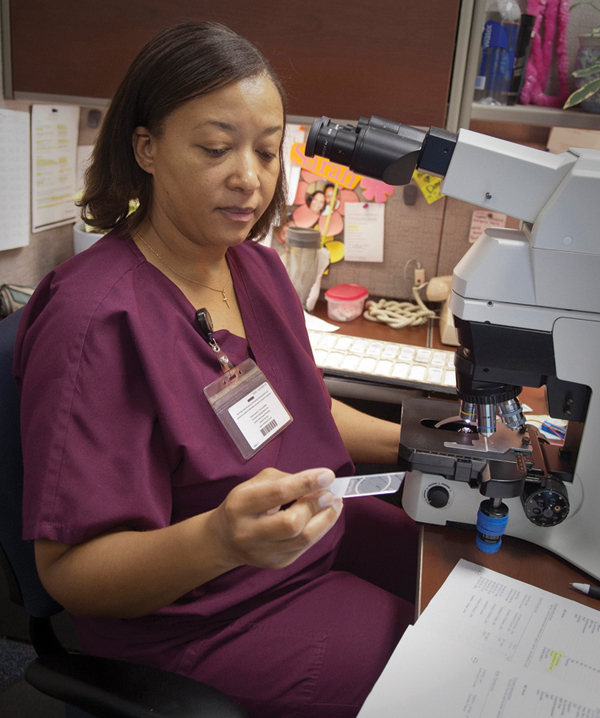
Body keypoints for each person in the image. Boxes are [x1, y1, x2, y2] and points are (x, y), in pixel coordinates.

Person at [14, 21, 418, 718]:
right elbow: (69, 575)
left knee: (459, 569)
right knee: (437, 673)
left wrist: (427, 446)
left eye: (267, 152)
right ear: (146, 147)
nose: (249, 178)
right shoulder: (95, 321)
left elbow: (302, 404)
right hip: (197, 623)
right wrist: (219, 538)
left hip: (301, 555)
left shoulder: (255, 267)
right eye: (214, 147)